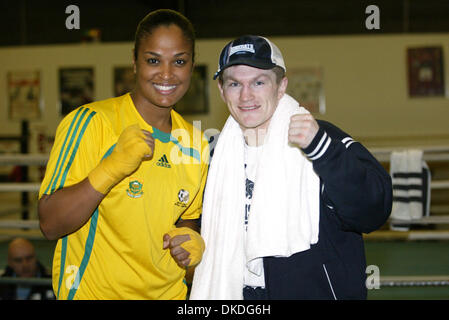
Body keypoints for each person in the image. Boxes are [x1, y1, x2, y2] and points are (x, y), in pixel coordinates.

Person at [190, 35, 392, 300]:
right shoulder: (215, 154)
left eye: (259, 82)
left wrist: (323, 150)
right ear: (221, 90)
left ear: (281, 86)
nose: (245, 95)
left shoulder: (321, 137)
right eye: (234, 83)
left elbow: (373, 212)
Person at [38, 9, 209, 300]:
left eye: (179, 61)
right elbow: (50, 224)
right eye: (153, 60)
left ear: (192, 66)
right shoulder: (91, 123)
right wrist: (110, 169)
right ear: (134, 62)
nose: (167, 73)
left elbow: (187, 219)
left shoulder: (196, 144)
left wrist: (191, 240)